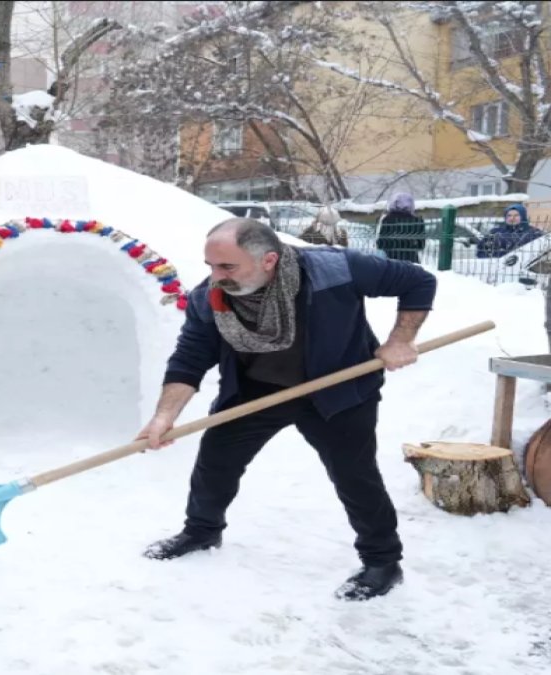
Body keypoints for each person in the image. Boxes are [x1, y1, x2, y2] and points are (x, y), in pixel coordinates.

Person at [136, 218, 437, 601]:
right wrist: (165, 416)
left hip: (337, 390)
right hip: (256, 391)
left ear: (269, 260)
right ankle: (201, 530)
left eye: (227, 266)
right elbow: (191, 357)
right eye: (211, 266)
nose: (216, 276)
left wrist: (400, 340)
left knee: (354, 475)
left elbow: (417, 281)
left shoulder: (337, 270)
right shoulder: (208, 298)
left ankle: (383, 562)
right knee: (216, 461)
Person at [475, 204, 542, 259]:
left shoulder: (533, 233)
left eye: (516, 215)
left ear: (523, 216)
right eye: (509, 215)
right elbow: (481, 250)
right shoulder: (496, 232)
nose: (512, 218)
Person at [376, 192, 426, 263]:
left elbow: (381, 243)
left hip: (391, 260)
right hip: (411, 260)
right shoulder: (418, 221)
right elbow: (421, 245)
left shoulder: (387, 219)